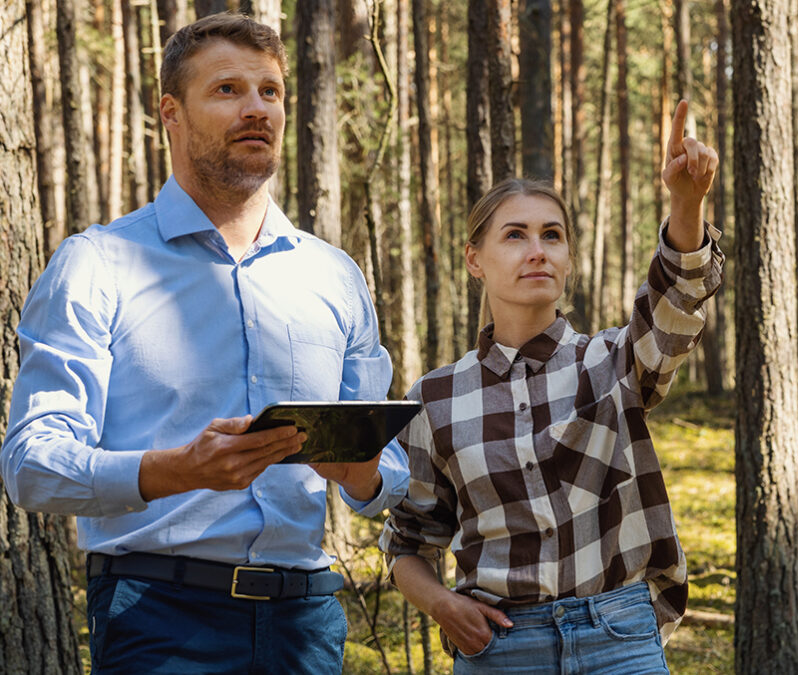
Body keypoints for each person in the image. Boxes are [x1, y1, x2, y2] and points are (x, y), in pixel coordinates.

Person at [0, 13, 407, 674]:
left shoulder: (334, 275)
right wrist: (177, 470)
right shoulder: (97, 264)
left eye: (270, 92)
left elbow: (386, 474)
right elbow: (32, 462)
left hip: (308, 624)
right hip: (157, 617)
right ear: (172, 112)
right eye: (227, 90)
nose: (256, 109)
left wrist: (358, 469)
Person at [379, 100, 723, 674]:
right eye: (515, 235)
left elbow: (677, 305)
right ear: (475, 260)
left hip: (620, 638)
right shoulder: (436, 399)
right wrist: (441, 605)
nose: (537, 249)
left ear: (568, 260)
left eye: (552, 235)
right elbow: (408, 540)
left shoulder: (613, 361)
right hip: (500, 648)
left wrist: (687, 203)